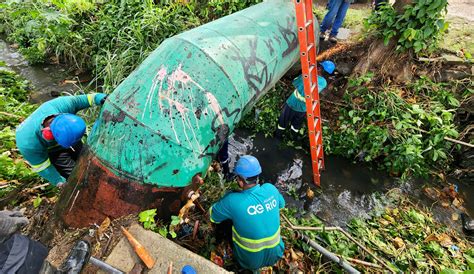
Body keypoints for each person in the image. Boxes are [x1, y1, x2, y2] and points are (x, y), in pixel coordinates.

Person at [209, 155, 285, 271]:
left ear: (240, 180)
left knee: (227, 219)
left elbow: (212, 216)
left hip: (249, 262)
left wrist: (227, 198)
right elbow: (281, 204)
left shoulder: (232, 200)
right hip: (277, 255)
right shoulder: (271, 189)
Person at [15, 93, 107, 187]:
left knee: (87, 160)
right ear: (48, 133)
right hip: (54, 151)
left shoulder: (63, 105)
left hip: (71, 138)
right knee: (75, 176)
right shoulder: (28, 143)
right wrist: (59, 181)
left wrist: (100, 98)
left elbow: (87, 99)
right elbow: (42, 167)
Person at [276, 61, 335, 138]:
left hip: (293, 103)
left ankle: (278, 136)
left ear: (320, 69)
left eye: (319, 67)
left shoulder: (308, 76)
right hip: (304, 107)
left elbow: (294, 82)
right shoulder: (324, 83)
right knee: (296, 123)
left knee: (283, 120)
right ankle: (293, 137)